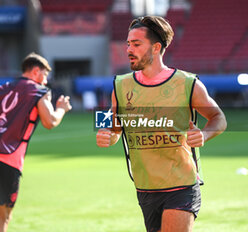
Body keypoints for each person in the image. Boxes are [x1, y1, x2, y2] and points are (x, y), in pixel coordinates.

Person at [96, 16, 227, 232]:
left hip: (181, 183)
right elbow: (113, 127)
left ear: (156, 47)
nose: (129, 49)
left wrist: (204, 135)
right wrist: (107, 135)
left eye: (136, 44)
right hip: (145, 187)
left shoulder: (187, 83)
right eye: (128, 43)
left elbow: (219, 118)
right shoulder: (120, 86)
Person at [0, 53, 72, 232]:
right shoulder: (40, 92)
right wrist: (61, 109)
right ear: (35, 71)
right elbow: (50, 122)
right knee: (4, 215)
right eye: (45, 75)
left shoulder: (0, 88)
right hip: (9, 158)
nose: (46, 81)